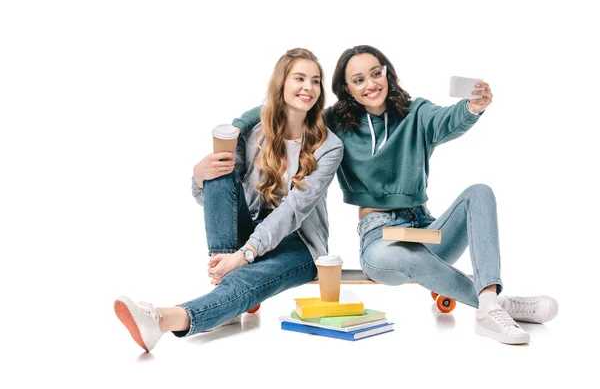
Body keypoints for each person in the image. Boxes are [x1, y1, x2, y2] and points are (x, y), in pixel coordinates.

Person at [232, 45, 558, 345]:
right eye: (358, 79)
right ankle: (493, 302)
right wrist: (236, 127)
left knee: (480, 192)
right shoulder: (335, 124)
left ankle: (488, 305)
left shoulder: (416, 112)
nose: (371, 84)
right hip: (379, 238)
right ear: (347, 89)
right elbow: (273, 109)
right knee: (406, 256)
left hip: (426, 229)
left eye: (377, 73)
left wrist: (472, 106)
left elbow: (449, 119)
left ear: (387, 73)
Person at [114, 48, 343, 352]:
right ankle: (227, 294)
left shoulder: (329, 146)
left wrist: (245, 255)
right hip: (249, 235)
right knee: (219, 169)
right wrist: (198, 177)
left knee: (249, 278)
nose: (308, 88)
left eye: (315, 81)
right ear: (281, 83)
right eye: (299, 78)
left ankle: (161, 320)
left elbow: (293, 209)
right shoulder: (253, 132)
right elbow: (217, 195)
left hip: (299, 244)